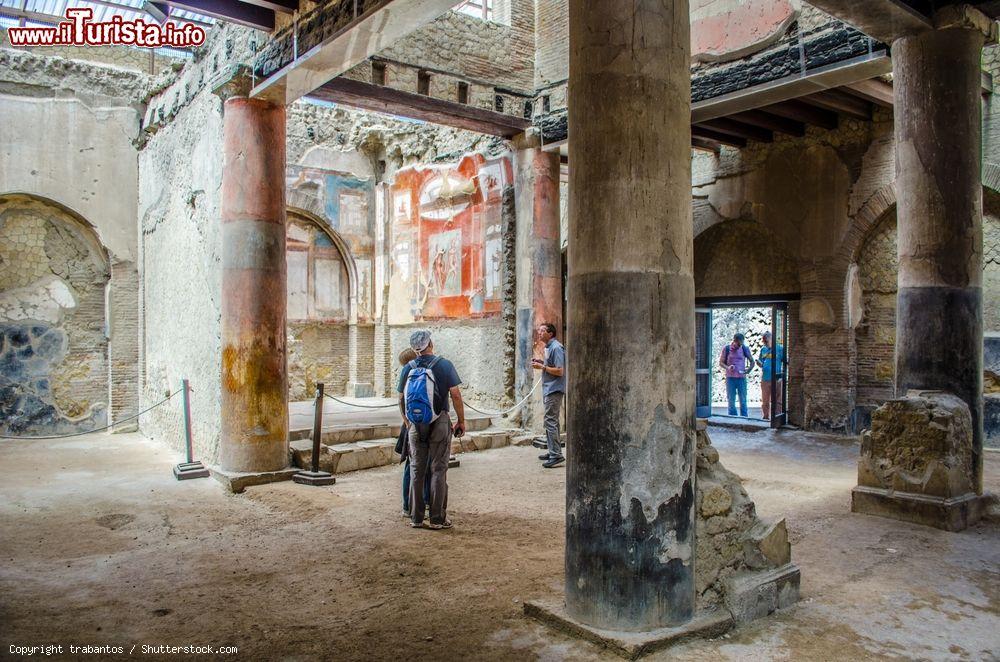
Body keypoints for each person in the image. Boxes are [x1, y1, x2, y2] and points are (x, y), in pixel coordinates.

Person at [398, 330, 466, 530]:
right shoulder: (444, 364)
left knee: (417, 470)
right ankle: (437, 518)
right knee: (438, 469)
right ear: (431, 344)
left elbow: (401, 398)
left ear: (413, 349)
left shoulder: (408, 367)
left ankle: (416, 518)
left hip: (415, 425)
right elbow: (455, 395)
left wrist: (407, 421)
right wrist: (460, 421)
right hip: (440, 421)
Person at [396, 347, 430, 518]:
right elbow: (401, 399)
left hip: (411, 424)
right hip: (416, 424)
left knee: (413, 466)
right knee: (415, 467)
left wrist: (407, 422)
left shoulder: (407, 372)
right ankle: (413, 504)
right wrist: (408, 423)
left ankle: (410, 505)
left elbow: (401, 400)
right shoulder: (415, 370)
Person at [532, 322, 566, 469]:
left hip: (554, 389)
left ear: (550, 333)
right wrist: (541, 362)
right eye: (539, 330)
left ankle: (556, 455)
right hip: (549, 388)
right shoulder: (549, 347)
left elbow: (560, 371)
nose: (539, 333)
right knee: (552, 421)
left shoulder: (557, 347)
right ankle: (553, 450)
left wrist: (543, 367)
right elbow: (552, 365)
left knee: (550, 421)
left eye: (542, 331)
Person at [719, 332, 753, 417]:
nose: (739, 346)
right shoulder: (726, 349)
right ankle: (732, 418)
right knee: (731, 400)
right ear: (734, 341)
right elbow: (721, 363)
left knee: (743, 400)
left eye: (741, 344)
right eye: (738, 344)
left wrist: (748, 370)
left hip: (741, 378)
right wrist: (728, 367)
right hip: (730, 378)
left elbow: (752, 362)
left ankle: (744, 419)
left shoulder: (744, 348)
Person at [756, 331, 784, 421]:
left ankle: (777, 418)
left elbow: (785, 362)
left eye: (766, 341)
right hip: (765, 378)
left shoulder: (780, 349)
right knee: (765, 400)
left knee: (777, 400)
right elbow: (761, 363)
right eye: (763, 341)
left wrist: (781, 376)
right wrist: (759, 363)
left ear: (771, 339)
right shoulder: (763, 349)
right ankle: (765, 416)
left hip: (776, 378)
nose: (765, 343)